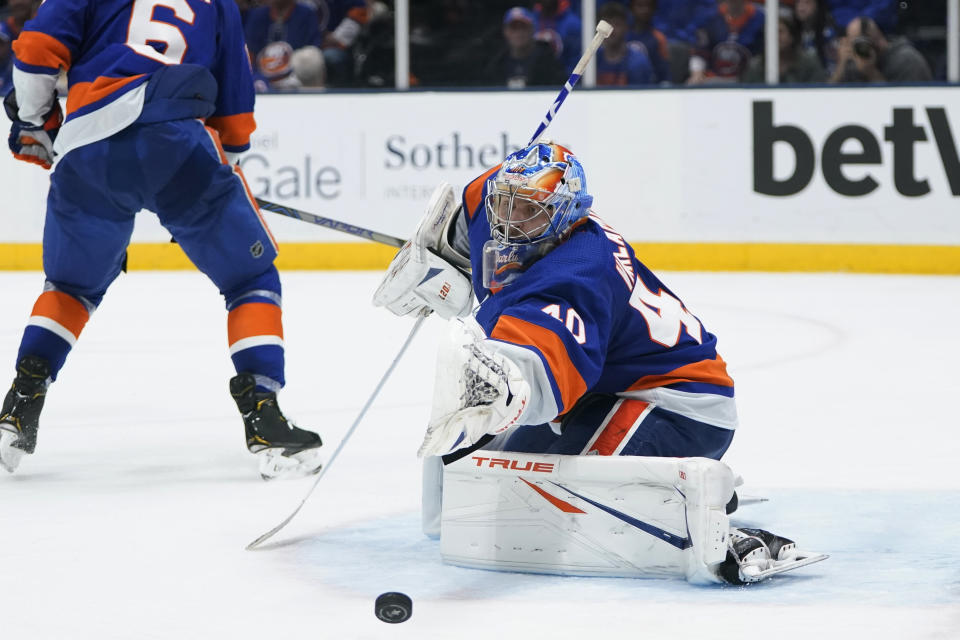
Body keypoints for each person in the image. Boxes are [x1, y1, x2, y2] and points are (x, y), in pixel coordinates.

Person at [373, 141, 825, 584]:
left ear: (567, 216)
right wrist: (440, 250)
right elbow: (475, 201)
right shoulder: (499, 200)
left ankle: (707, 522)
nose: (510, 222)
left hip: (678, 404)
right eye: (506, 205)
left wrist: (497, 384)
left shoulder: (574, 274)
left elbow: (538, 382)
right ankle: (668, 491)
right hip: (609, 391)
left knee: (540, 504)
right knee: (470, 492)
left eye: (529, 211)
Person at [0, 0, 323, 479]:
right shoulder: (220, 6)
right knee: (250, 279)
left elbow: (35, 51)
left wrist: (34, 122)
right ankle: (265, 421)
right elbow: (235, 114)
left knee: (69, 288)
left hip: (88, 147)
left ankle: (16, 413)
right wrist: (218, 179)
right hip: (179, 144)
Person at [829, 15, 932, 83]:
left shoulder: (908, 61)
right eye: (855, 43)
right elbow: (826, 102)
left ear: (879, 40)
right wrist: (841, 66)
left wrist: (871, 73)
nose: (861, 49)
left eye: (864, 43)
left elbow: (902, 105)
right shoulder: (852, 61)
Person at [481, 7, 566, 89]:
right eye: (514, 28)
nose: (518, 33)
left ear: (533, 30)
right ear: (505, 32)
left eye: (523, 27)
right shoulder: (497, 64)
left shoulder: (548, 63)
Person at [688, 0, 766, 84]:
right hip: (712, 78)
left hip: (746, 80)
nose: (734, 3)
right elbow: (700, 51)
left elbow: (761, 55)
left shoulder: (760, 18)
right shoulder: (710, 17)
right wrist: (697, 73)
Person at [742, 11, 827, 83]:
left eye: (780, 31)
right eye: (771, 32)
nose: (775, 36)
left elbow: (819, 93)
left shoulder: (809, 64)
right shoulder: (756, 66)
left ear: (791, 37)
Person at [596, 3, 656, 86]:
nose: (611, 30)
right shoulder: (591, 60)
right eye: (607, 25)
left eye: (617, 24)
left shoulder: (638, 62)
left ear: (626, 27)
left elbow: (641, 95)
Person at [626, 0, 672, 84]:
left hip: (650, 88)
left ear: (654, 9)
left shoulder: (659, 38)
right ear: (631, 8)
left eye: (648, 6)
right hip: (622, 88)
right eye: (640, 5)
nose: (645, 10)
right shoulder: (623, 35)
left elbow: (664, 73)